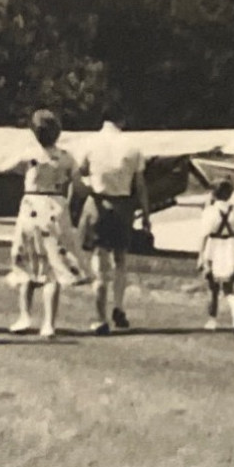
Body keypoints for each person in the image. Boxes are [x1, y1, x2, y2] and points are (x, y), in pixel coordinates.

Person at [7, 109, 91, 339]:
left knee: (27, 263)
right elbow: (81, 186)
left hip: (31, 207)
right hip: (55, 207)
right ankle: (48, 324)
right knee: (52, 267)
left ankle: (25, 317)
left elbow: (6, 167)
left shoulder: (29, 155)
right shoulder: (66, 157)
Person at [76, 111, 150, 335]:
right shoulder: (133, 146)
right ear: (122, 120)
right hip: (123, 206)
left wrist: (88, 188)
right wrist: (146, 214)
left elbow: (79, 173)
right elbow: (140, 185)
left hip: (98, 202)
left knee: (100, 260)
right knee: (121, 259)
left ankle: (100, 318)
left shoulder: (89, 143)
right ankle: (118, 306)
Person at [197, 179, 234, 334]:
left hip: (214, 247)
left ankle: (212, 320)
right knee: (228, 288)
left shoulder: (209, 211)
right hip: (231, 247)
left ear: (213, 194)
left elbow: (204, 235)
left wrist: (201, 256)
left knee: (213, 287)